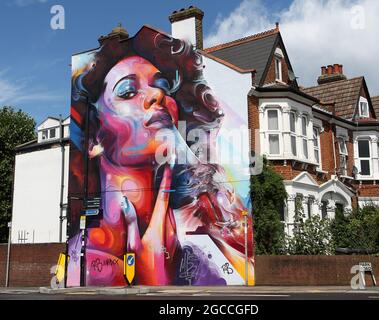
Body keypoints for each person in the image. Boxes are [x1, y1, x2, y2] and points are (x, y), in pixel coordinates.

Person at [70, 30, 253, 286]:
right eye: (128, 91)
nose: (158, 95)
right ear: (94, 138)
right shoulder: (84, 262)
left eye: (163, 86)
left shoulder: (203, 233)